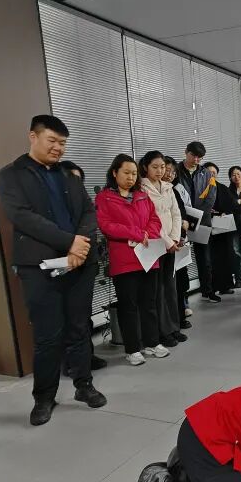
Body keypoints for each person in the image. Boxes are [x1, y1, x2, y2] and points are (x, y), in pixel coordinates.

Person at [0, 115, 106, 426]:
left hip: (79, 263)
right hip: (40, 266)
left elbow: (88, 211)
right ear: (33, 137)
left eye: (63, 143)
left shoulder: (68, 175)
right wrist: (70, 242)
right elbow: (22, 216)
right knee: (47, 335)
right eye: (52, 141)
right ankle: (44, 397)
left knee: (79, 328)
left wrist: (80, 244)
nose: (58, 148)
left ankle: (84, 385)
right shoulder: (11, 175)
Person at [96, 154, 166, 365]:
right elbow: (106, 225)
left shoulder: (142, 195)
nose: (131, 177)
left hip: (148, 256)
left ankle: (152, 343)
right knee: (129, 306)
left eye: (134, 173)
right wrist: (136, 233)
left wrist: (148, 233)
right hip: (124, 260)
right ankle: (133, 348)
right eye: (126, 173)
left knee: (150, 303)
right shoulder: (105, 198)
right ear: (114, 172)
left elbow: (155, 220)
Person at [60, 160, 109, 375]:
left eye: (79, 180)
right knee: (67, 316)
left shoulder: (84, 204)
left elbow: (90, 228)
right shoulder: (53, 206)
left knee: (84, 313)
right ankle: (70, 362)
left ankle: (87, 355)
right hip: (63, 263)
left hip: (86, 262)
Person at [140, 151, 187, 347]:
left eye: (162, 167)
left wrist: (175, 237)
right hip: (155, 243)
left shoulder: (168, 187)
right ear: (145, 168)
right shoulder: (141, 188)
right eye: (155, 167)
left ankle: (174, 327)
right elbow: (150, 219)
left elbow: (176, 213)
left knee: (170, 286)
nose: (160, 171)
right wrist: (168, 241)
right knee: (157, 289)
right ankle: (163, 331)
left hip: (171, 243)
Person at [177, 142, 220, 303]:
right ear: (186, 152)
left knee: (205, 258)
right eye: (193, 156)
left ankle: (208, 291)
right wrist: (185, 216)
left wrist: (197, 215)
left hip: (202, 221)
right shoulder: (176, 171)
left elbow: (211, 197)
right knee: (181, 259)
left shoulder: (207, 174)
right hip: (181, 221)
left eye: (199, 157)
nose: (196, 160)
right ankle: (183, 298)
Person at [164, 155, 193, 330]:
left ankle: (180, 316)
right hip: (166, 243)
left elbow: (181, 211)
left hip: (180, 241)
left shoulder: (174, 190)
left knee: (181, 282)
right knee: (169, 285)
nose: (169, 174)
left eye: (173, 172)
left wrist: (186, 221)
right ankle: (172, 322)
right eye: (166, 170)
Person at [204, 161, 237, 296]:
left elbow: (232, 205)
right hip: (206, 227)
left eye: (214, 173)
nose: (212, 175)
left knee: (224, 257)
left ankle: (225, 286)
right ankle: (209, 289)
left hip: (221, 228)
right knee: (208, 259)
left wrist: (224, 212)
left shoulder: (222, 188)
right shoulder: (200, 188)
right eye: (209, 172)